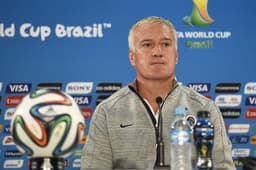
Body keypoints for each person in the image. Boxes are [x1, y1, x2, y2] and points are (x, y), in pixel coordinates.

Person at [80, 16, 236, 170]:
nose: (157, 52)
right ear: (132, 57)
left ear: (176, 55)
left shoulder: (206, 109)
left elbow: (223, 167)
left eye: (166, 44)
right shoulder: (107, 111)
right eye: (147, 45)